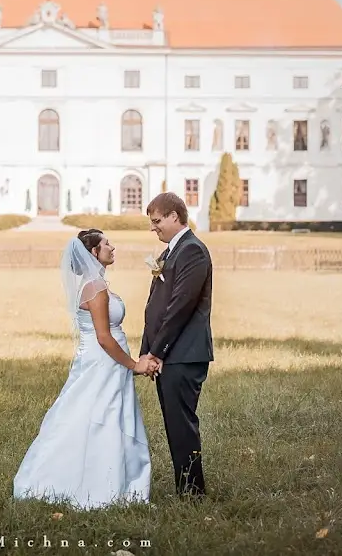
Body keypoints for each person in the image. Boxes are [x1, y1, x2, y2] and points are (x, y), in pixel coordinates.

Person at [13, 229, 157, 509]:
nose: (112, 248)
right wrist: (134, 365)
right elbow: (104, 337)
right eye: (106, 244)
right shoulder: (96, 288)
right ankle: (99, 484)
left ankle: (115, 479)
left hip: (104, 361)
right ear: (93, 253)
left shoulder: (96, 284)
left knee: (101, 415)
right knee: (101, 416)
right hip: (103, 362)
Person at [136, 193, 214, 498]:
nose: (153, 228)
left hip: (184, 354)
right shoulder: (172, 251)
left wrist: (157, 351)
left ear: (174, 216)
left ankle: (193, 492)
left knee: (182, 426)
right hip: (170, 353)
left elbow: (180, 307)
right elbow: (155, 305)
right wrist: (147, 350)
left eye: (157, 221)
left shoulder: (192, 251)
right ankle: (185, 487)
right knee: (174, 424)